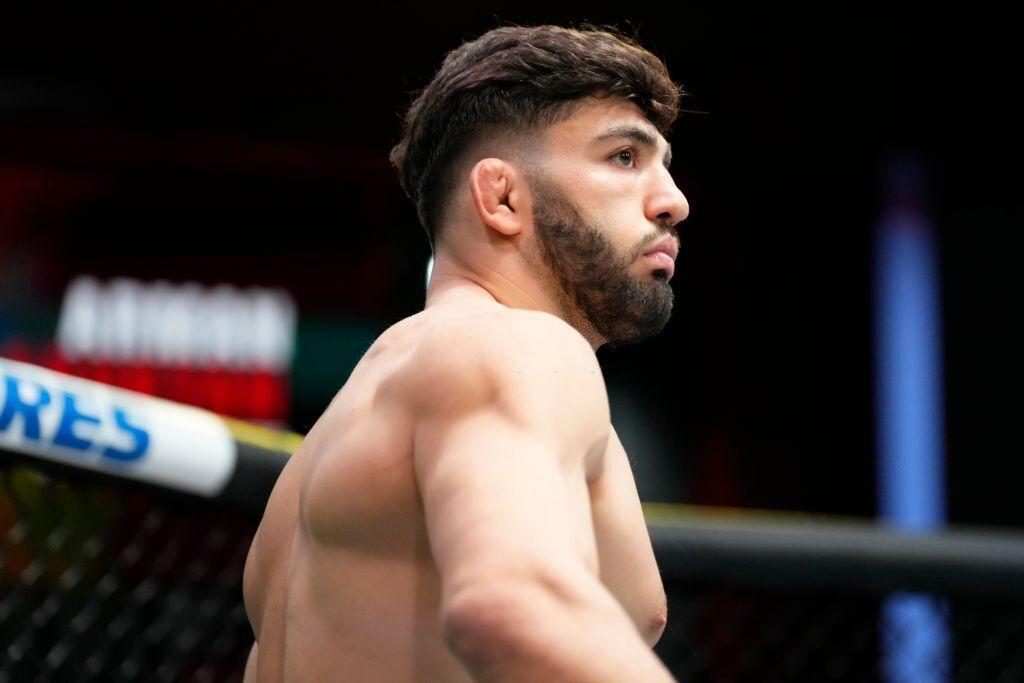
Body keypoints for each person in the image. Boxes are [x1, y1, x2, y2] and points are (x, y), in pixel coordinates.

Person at [243, 23, 689, 682]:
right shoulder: (512, 347)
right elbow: (512, 607)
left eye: (665, 166)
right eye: (624, 157)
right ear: (502, 197)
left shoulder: (316, 459)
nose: (674, 202)